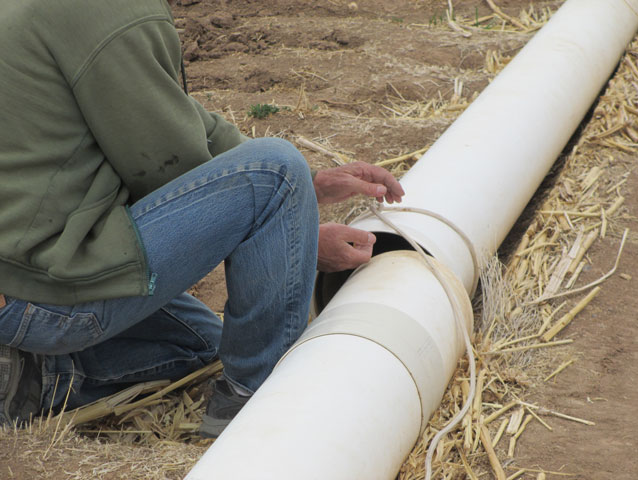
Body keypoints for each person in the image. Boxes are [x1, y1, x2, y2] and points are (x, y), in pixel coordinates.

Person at [0, 0, 404, 437]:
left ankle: (37, 377)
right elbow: (164, 163)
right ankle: (255, 404)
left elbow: (175, 116)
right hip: (42, 290)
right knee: (276, 171)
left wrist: (311, 185)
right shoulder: (106, 10)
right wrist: (297, 233)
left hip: (23, 277)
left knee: (202, 343)